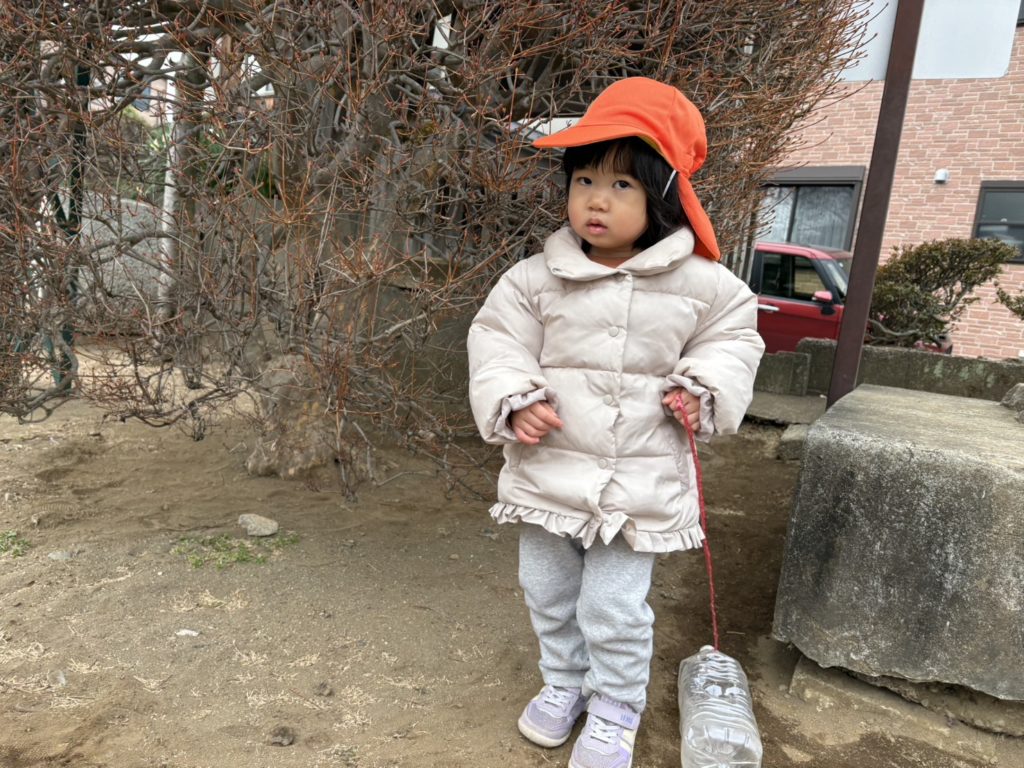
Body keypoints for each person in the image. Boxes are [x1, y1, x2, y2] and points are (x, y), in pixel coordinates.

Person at [467, 77, 764, 768]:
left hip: (639, 482)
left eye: (621, 185)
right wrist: (515, 397)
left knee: (612, 604)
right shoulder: (534, 278)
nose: (596, 200)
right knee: (548, 590)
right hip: (549, 473)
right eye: (585, 181)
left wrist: (704, 389)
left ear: (663, 196)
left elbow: (733, 340)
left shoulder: (703, 284)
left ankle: (616, 704)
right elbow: (496, 341)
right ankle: (565, 682)